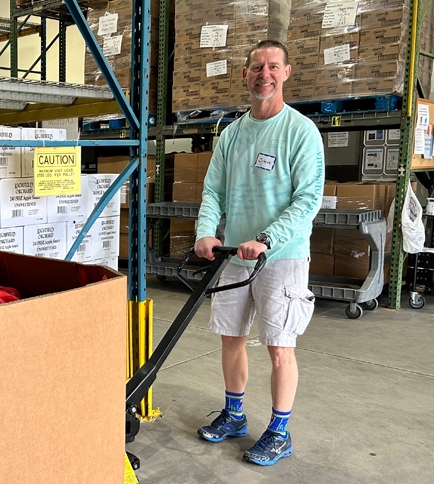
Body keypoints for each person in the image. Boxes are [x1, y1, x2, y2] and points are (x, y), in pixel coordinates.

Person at [193, 40, 324, 466]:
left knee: (279, 346)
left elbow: (307, 200)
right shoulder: (232, 134)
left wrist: (267, 238)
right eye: (255, 67)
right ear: (244, 75)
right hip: (234, 254)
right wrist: (205, 232)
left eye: (272, 67)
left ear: (286, 73)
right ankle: (234, 414)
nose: (263, 74)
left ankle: (280, 432)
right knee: (231, 338)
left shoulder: (300, 131)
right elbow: (213, 190)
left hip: (281, 257)